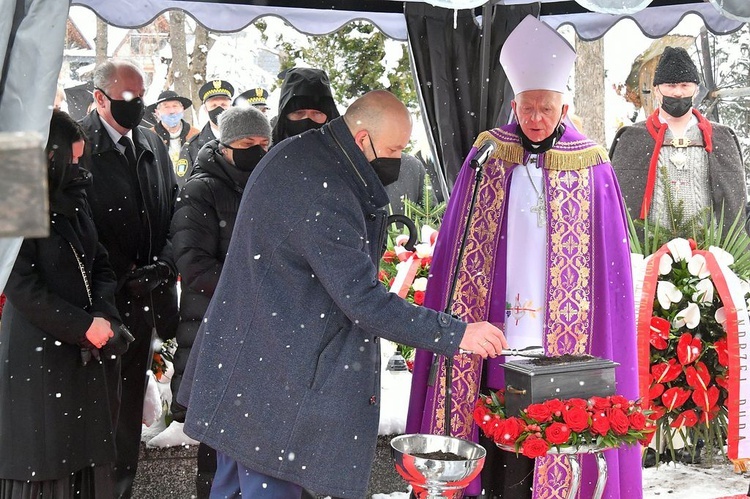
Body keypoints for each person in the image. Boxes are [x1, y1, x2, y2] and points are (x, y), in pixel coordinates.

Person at [177, 89, 507, 499]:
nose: (398, 159)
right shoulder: (323, 187)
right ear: (362, 138)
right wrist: (457, 334)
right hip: (275, 387)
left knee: (231, 488)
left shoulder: (302, 153)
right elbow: (362, 300)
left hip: (250, 374)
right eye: (393, 148)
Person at [406, 15, 641, 499]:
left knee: (556, 423)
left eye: (547, 108)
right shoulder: (488, 155)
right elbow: (460, 249)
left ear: (565, 105)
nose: (536, 118)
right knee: (493, 430)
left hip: (568, 337)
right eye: (528, 107)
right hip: (494, 323)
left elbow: (610, 268)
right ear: (514, 105)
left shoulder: (593, 162)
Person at [0, 109, 130, 497]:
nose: (78, 168)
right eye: (69, 160)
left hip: (86, 349)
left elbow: (100, 263)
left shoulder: (72, 193)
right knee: (46, 458)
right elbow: (20, 284)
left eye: (80, 159)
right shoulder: (15, 194)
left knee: (84, 454)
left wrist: (104, 313)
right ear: (46, 155)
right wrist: (82, 326)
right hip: (38, 355)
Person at [80, 59, 179, 498]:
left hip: (145, 304)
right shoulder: (77, 144)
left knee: (125, 424)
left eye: (142, 96)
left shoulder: (152, 143)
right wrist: (117, 277)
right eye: (127, 98)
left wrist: (164, 263)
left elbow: (176, 210)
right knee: (93, 417)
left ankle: (120, 490)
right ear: (99, 98)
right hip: (95, 309)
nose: (138, 105)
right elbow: (73, 230)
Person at [168, 106, 271, 498]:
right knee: (217, 449)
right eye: (248, 144)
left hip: (260, 331)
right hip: (213, 329)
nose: (258, 152)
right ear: (225, 145)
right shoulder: (201, 189)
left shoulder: (270, 182)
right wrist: (257, 293)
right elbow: (193, 266)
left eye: (264, 144)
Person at [610, 46, 747, 233]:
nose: (678, 93)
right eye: (671, 85)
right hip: (646, 256)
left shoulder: (721, 138)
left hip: (708, 255)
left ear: (696, 89)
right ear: (657, 90)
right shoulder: (632, 139)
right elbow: (617, 205)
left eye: (685, 85)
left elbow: (733, 207)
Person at [175, 79, 234, 188]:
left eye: (223, 104)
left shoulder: (246, 140)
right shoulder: (191, 146)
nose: (219, 109)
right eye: (214, 105)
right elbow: (183, 187)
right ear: (206, 109)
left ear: (231, 107)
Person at [271, 67, 339, 144]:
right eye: (298, 113)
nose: (307, 120)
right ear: (284, 115)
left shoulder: (345, 153)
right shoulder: (267, 152)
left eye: (317, 113)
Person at [147, 90, 200, 171]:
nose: (171, 111)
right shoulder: (149, 136)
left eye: (175, 106)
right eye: (166, 107)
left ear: (182, 109)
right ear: (157, 112)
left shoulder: (195, 135)